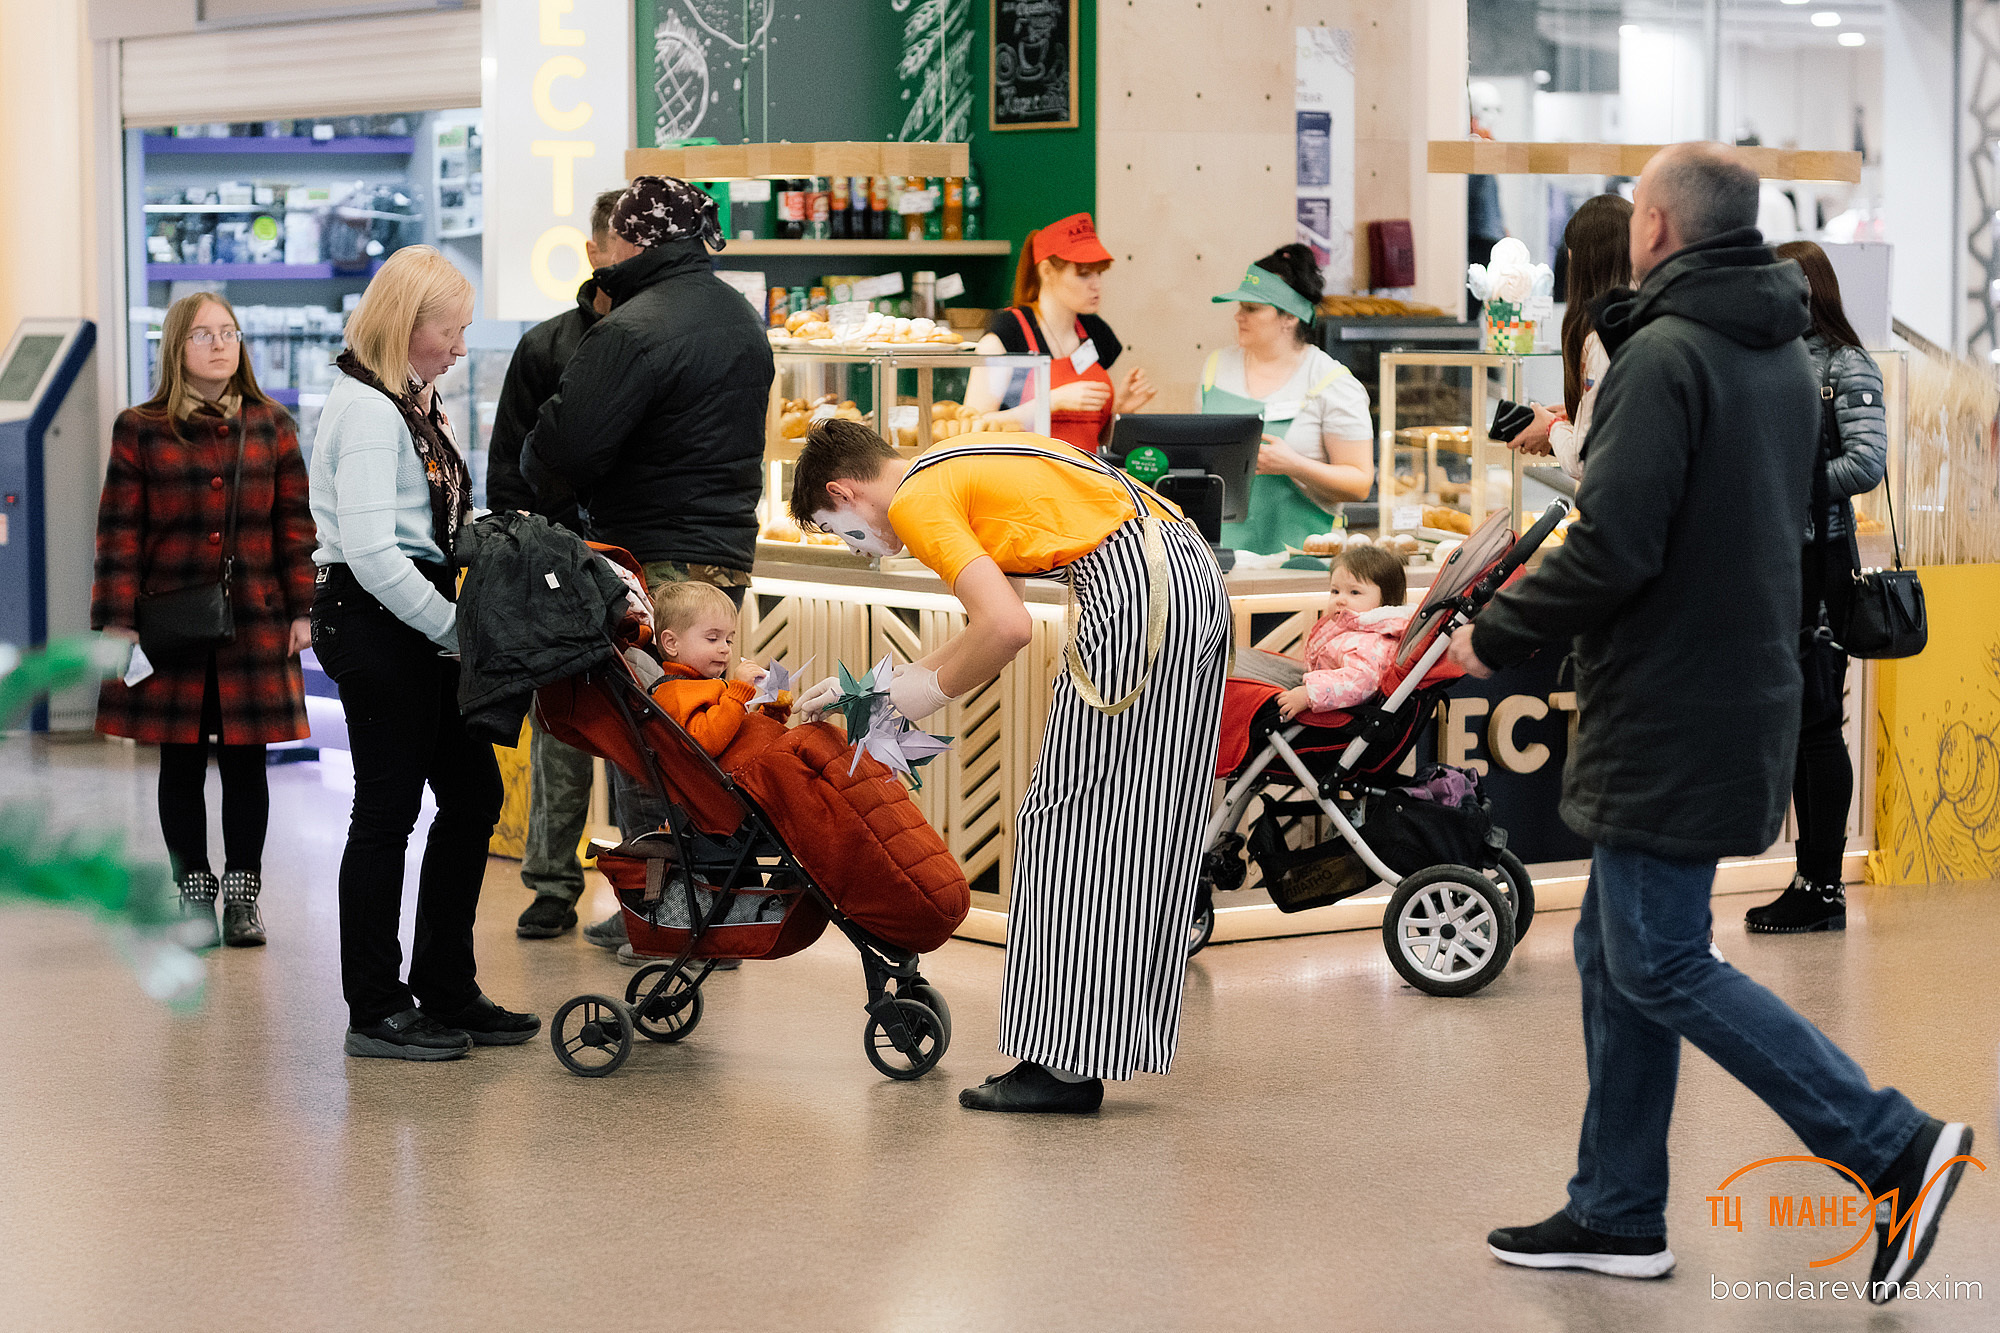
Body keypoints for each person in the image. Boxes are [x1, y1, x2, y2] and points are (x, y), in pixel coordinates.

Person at [1448, 142, 1969, 1303]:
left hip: (1667, 700)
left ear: (1657, 226)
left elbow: (1614, 540)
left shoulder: (1665, 354)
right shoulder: (1779, 350)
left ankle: (1889, 1145)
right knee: (1611, 951)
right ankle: (1616, 1208)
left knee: (1660, 957)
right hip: (1735, 682)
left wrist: (1491, 629)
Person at [789, 419, 1230, 1114]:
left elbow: (1006, 627)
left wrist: (914, 697)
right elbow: (993, 621)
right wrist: (876, 697)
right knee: (1141, 820)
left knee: (1065, 824)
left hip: (1138, 593)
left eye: (840, 527)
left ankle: (1059, 1067)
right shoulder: (947, 463)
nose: (858, 545)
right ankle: (1092, 1049)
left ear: (846, 489)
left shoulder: (913, 499)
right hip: (1185, 575)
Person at [521, 174, 774, 955]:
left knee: (651, 744)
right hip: (726, 558)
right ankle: (707, 897)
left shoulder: (632, 327)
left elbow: (562, 449)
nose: (606, 251)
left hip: (653, 559)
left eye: (617, 237)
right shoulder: (740, 316)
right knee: (703, 736)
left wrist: (544, 457)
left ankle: (670, 913)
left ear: (639, 239)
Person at [310, 245, 538, 1061]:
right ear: (411, 323)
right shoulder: (370, 412)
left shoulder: (415, 399)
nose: (461, 346)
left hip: (420, 614)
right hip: (380, 620)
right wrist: (454, 632)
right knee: (386, 815)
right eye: (454, 329)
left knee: (473, 795)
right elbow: (373, 551)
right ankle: (375, 1006)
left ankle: (446, 984)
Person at [90, 291, 316, 950]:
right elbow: (119, 532)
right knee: (180, 762)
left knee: (249, 763)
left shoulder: (273, 424)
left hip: (257, 622)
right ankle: (193, 892)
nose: (220, 344)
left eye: (229, 332)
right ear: (175, 348)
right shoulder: (142, 426)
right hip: (167, 624)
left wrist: (304, 608)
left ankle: (243, 898)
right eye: (203, 335)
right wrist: (116, 620)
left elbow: (294, 526)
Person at [486, 186, 623, 941]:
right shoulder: (545, 345)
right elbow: (507, 464)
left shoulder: (655, 337)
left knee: (647, 735)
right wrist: (535, 549)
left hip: (637, 555)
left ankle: (649, 882)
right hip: (559, 558)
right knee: (562, 725)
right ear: (596, 251)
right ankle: (551, 883)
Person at [1743, 240, 1888, 935]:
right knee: (1796, 726)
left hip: (1819, 563)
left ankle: (1822, 884)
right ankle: (1808, 877)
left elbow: (1866, 462)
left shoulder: (1845, 363)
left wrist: (1785, 487)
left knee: (1818, 724)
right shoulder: (1767, 359)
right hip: (1773, 562)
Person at [1202, 244, 1372, 559]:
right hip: (1219, 558)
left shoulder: (1331, 382)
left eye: (1252, 308)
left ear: (1289, 318)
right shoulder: (1216, 367)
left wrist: (1294, 465)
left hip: (1303, 563)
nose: (1238, 316)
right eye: (1240, 306)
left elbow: (1360, 483)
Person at [962, 213, 1154, 450]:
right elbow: (973, 427)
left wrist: (1120, 411)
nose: (1096, 285)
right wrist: (1052, 401)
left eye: (1099, 273)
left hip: (1085, 479)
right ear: (1046, 271)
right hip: (1021, 480)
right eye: (1084, 274)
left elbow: (1098, 440)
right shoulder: (1007, 334)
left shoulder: (1097, 333)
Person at [1505, 194, 1631, 479]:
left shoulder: (1602, 340)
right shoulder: (1647, 323)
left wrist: (1551, 427)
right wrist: (1578, 412)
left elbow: (1582, 459)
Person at [644, 581, 791, 762]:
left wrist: (770, 715)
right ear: (672, 643)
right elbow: (706, 742)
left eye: (728, 641)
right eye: (713, 639)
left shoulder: (705, 685)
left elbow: (736, 733)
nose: (725, 649)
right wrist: (738, 691)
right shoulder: (675, 693)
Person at [1274, 544, 1408, 721]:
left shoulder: (1368, 642)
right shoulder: (1351, 629)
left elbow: (1360, 682)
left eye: (1354, 592)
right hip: (1330, 706)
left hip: (1339, 718)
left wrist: (1309, 694)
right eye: (1335, 591)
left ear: (1386, 602)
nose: (1340, 600)